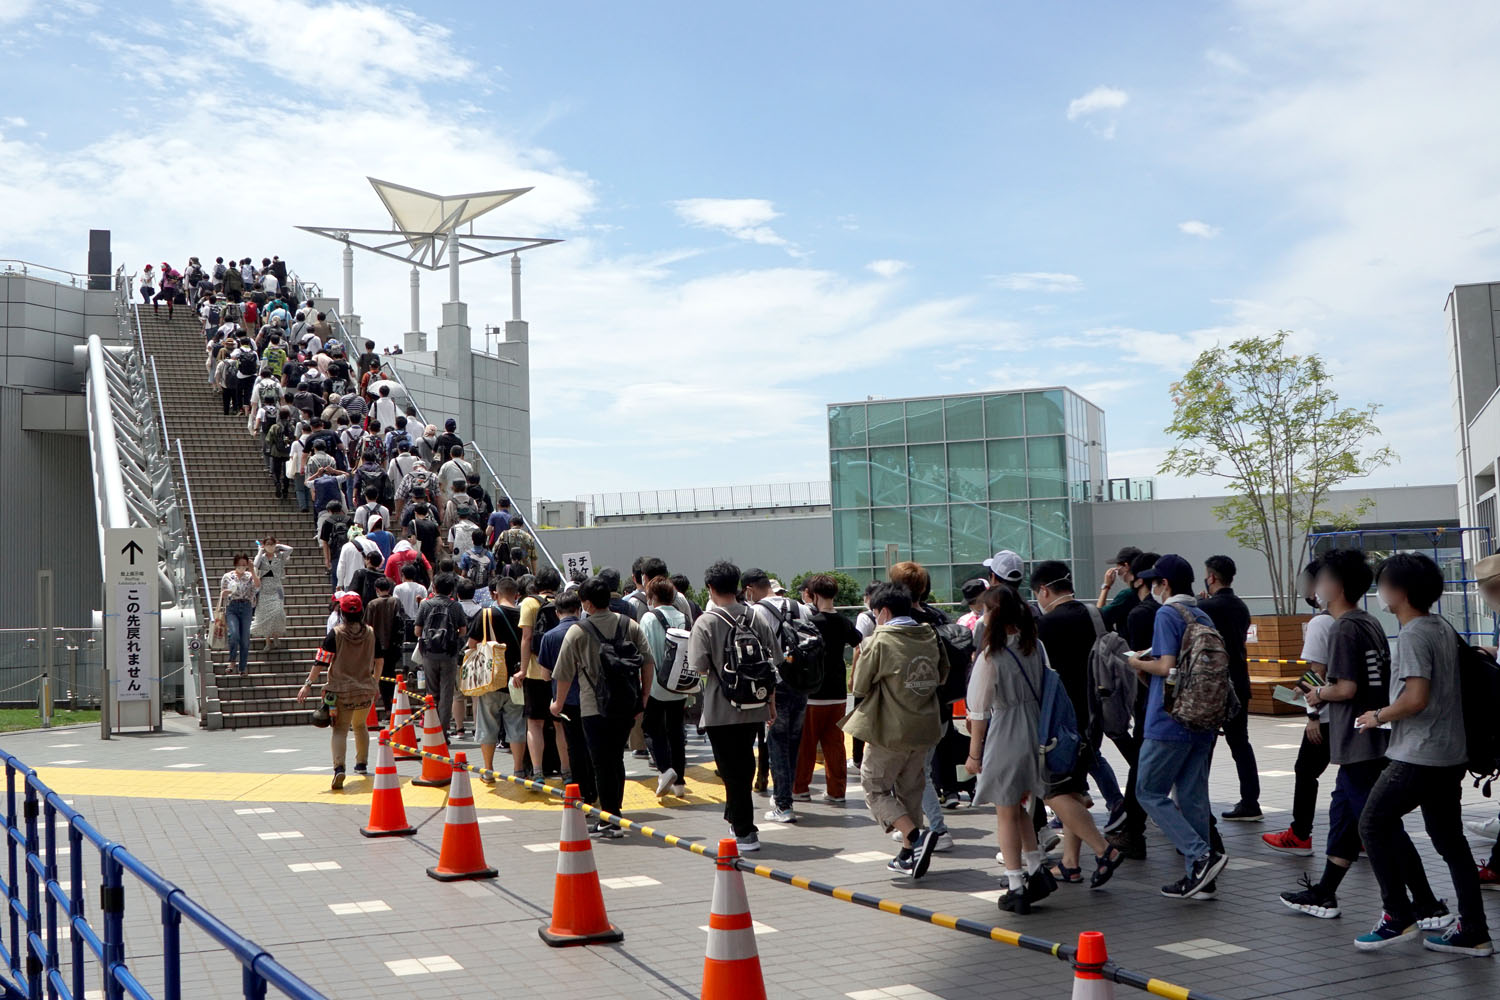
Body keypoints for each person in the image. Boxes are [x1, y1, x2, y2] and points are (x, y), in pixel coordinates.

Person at [1281, 550, 1449, 928]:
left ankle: (1425, 903)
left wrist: (1318, 694)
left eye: (1321, 579)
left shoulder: (1342, 627)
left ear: (1336, 586)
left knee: (1381, 825)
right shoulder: (1368, 621)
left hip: (1359, 740)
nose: (1317, 587)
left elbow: (1346, 688)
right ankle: (1324, 891)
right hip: (1368, 740)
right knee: (1343, 817)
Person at [1354, 554, 1490, 956]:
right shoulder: (1441, 626)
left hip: (1419, 753)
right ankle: (1474, 931)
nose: (1379, 593)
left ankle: (1397, 914)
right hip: (1450, 752)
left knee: (1373, 823)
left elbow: (1415, 699)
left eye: (1382, 585)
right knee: (1450, 841)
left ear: (1400, 591)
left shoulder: (1413, 634)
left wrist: (1376, 715)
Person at [966, 586, 1126, 914]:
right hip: (1039, 730)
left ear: (993, 614)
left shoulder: (990, 655)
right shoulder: (1034, 645)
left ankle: (1016, 884)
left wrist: (974, 754)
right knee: (1025, 806)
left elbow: (979, 711)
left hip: (1007, 731)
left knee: (1006, 812)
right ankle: (1037, 870)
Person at [1129, 554, 1227, 899]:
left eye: (1155, 582)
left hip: (1170, 719)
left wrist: (1136, 662)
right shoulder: (1201, 613)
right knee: (1192, 796)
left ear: (1164, 584)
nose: (1153, 587)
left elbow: (1168, 668)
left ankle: (1200, 855)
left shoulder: (1167, 613)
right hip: (1204, 718)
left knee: (1148, 791)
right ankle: (1201, 878)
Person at [842, 582, 948, 879]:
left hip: (891, 729)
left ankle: (915, 838)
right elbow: (942, 674)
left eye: (875, 613)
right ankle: (908, 854)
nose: (875, 619)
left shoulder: (880, 640)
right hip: (925, 726)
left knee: (875, 788)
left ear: (884, 612)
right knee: (910, 791)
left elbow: (860, 685)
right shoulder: (929, 634)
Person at [548, 576, 653, 839]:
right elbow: (648, 662)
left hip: (593, 707)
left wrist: (557, 703)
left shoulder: (577, 631)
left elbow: (563, 674)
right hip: (626, 704)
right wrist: (644, 697)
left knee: (600, 762)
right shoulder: (630, 625)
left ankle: (609, 818)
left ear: (586, 603)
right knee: (616, 757)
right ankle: (614, 812)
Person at [688, 560, 778, 851]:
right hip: (755, 703)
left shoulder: (706, 621)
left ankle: (745, 831)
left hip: (720, 707)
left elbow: (699, 666)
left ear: (711, 588)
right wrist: (770, 702)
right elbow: (771, 662)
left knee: (730, 769)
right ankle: (736, 818)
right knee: (744, 763)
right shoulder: (756, 617)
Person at [1031, 560, 1125, 839]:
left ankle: (1085, 820)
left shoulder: (1045, 625)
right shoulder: (1096, 615)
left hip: (1062, 711)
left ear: (1045, 590)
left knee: (1064, 778)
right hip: (1098, 704)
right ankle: (1107, 807)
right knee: (1088, 758)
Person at [1263, 561, 1334, 857]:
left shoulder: (1321, 622)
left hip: (1328, 715)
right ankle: (1362, 836)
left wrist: (1312, 716)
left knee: (1305, 771)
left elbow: (1318, 670)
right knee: (1353, 779)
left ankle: (1300, 834)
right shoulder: (1359, 619)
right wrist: (1300, 687)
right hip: (1352, 714)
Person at [744, 566, 810, 825]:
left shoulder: (756, 611)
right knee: (793, 741)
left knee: (777, 743)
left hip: (776, 686)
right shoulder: (798, 606)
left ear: (749, 590)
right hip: (801, 682)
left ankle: (783, 804)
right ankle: (786, 795)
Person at [1199, 555, 1260, 822]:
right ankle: (1250, 801)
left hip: (1215, 685)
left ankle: (1198, 802)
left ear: (1211, 577)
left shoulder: (1207, 607)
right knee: (1240, 743)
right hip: (1240, 681)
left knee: (1204, 745)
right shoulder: (1241, 607)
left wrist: (1201, 602)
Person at [298, 593, 379, 790]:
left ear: (341, 612)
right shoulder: (370, 632)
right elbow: (380, 659)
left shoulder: (336, 634)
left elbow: (321, 662)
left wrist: (308, 684)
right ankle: (361, 764)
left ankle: (339, 768)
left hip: (341, 691)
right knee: (360, 726)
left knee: (340, 729)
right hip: (365, 690)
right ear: (361, 612)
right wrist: (374, 682)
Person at [792, 573, 861, 804]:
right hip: (838, 693)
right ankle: (836, 791)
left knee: (807, 744)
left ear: (814, 595)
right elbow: (857, 639)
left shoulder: (811, 623)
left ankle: (800, 788)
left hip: (813, 692)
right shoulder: (843, 621)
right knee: (835, 744)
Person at [466, 587, 527, 782]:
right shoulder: (524, 615)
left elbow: (471, 645)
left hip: (490, 679)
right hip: (517, 678)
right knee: (517, 725)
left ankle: (489, 770)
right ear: (516, 595)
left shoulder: (486, 614)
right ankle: (518, 770)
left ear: (495, 594)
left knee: (487, 724)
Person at [638, 577, 691, 797]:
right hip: (681, 685)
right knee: (677, 731)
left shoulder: (648, 619)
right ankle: (679, 781)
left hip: (657, 685)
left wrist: (643, 687)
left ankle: (665, 768)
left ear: (652, 597)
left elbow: (645, 656)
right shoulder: (685, 618)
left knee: (651, 728)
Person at [539, 591, 592, 803]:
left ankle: (580, 790)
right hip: (590, 697)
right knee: (591, 744)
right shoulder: (588, 631)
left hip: (565, 700)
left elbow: (545, 675)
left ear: (556, 612)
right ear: (579, 609)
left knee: (574, 746)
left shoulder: (550, 636)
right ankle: (594, 787)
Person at [519, 569, 568, 782]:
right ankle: (566, 770)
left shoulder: (529, 603)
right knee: (559, 724)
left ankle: (537, 771)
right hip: (560, 673)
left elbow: (527, 638)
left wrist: (522, 668)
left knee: (535, 724)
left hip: (534, 671)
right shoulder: (562, 602)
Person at [414, 573, 468, 736]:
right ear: (452, 590)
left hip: (430, 653)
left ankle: (431, 728)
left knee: (431, 692)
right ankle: (442, 732)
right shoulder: (456, 607)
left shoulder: (426, 605)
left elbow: (417, 631)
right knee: (446, 694)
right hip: (449, 653)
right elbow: (463, 631)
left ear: (434, 587)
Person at [219, 553, 258, 675]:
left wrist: (252, 570)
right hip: (232, 606)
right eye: (239, 564)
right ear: (235, 564)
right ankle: (232, 661)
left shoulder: (250, 576)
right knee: (234, 634)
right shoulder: (228, 576)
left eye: (244, 565)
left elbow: (257, 586)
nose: (242, 567)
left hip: (246, 607)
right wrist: (225, 593)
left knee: (245, 639)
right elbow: (223, 592)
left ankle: (242, 667)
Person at [250, 539, 292, 651]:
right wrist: (260, 550)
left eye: (272, 544)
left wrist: (278, 546)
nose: (271, 547)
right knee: (265, 615)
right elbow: (255, 564)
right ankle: (268, 641)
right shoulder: (262, 557)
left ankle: (276, 635)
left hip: (277, 588)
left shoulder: (280, 556)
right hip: (264, 589)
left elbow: (290, 549)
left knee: (278, 613)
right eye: (268, 545)